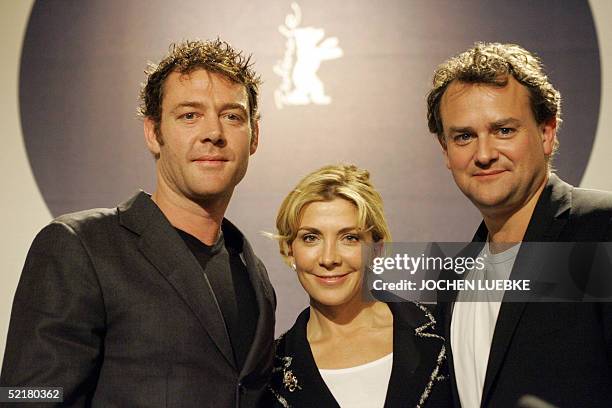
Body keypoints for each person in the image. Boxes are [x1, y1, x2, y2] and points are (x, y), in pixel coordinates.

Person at [0, 39, 276, 407]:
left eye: (232, 116)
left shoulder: (253, 274)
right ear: (153, 133)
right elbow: (26, 397)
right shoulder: (81, 247)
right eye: (189, 115)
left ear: (254, 136)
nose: (213, 132)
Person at [426, 42, 612, 407]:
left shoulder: (602, 230)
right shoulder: (452, 279)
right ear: (445, 151)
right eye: (464, 136)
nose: (483, 154)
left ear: (546, 133)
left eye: (504, 130)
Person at [264, 164, 450, 407]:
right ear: (288, 251)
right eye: (311, 238)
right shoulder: (269, 374)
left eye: (349, 238)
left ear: (376, 249)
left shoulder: (444, 331)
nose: (329, 258)